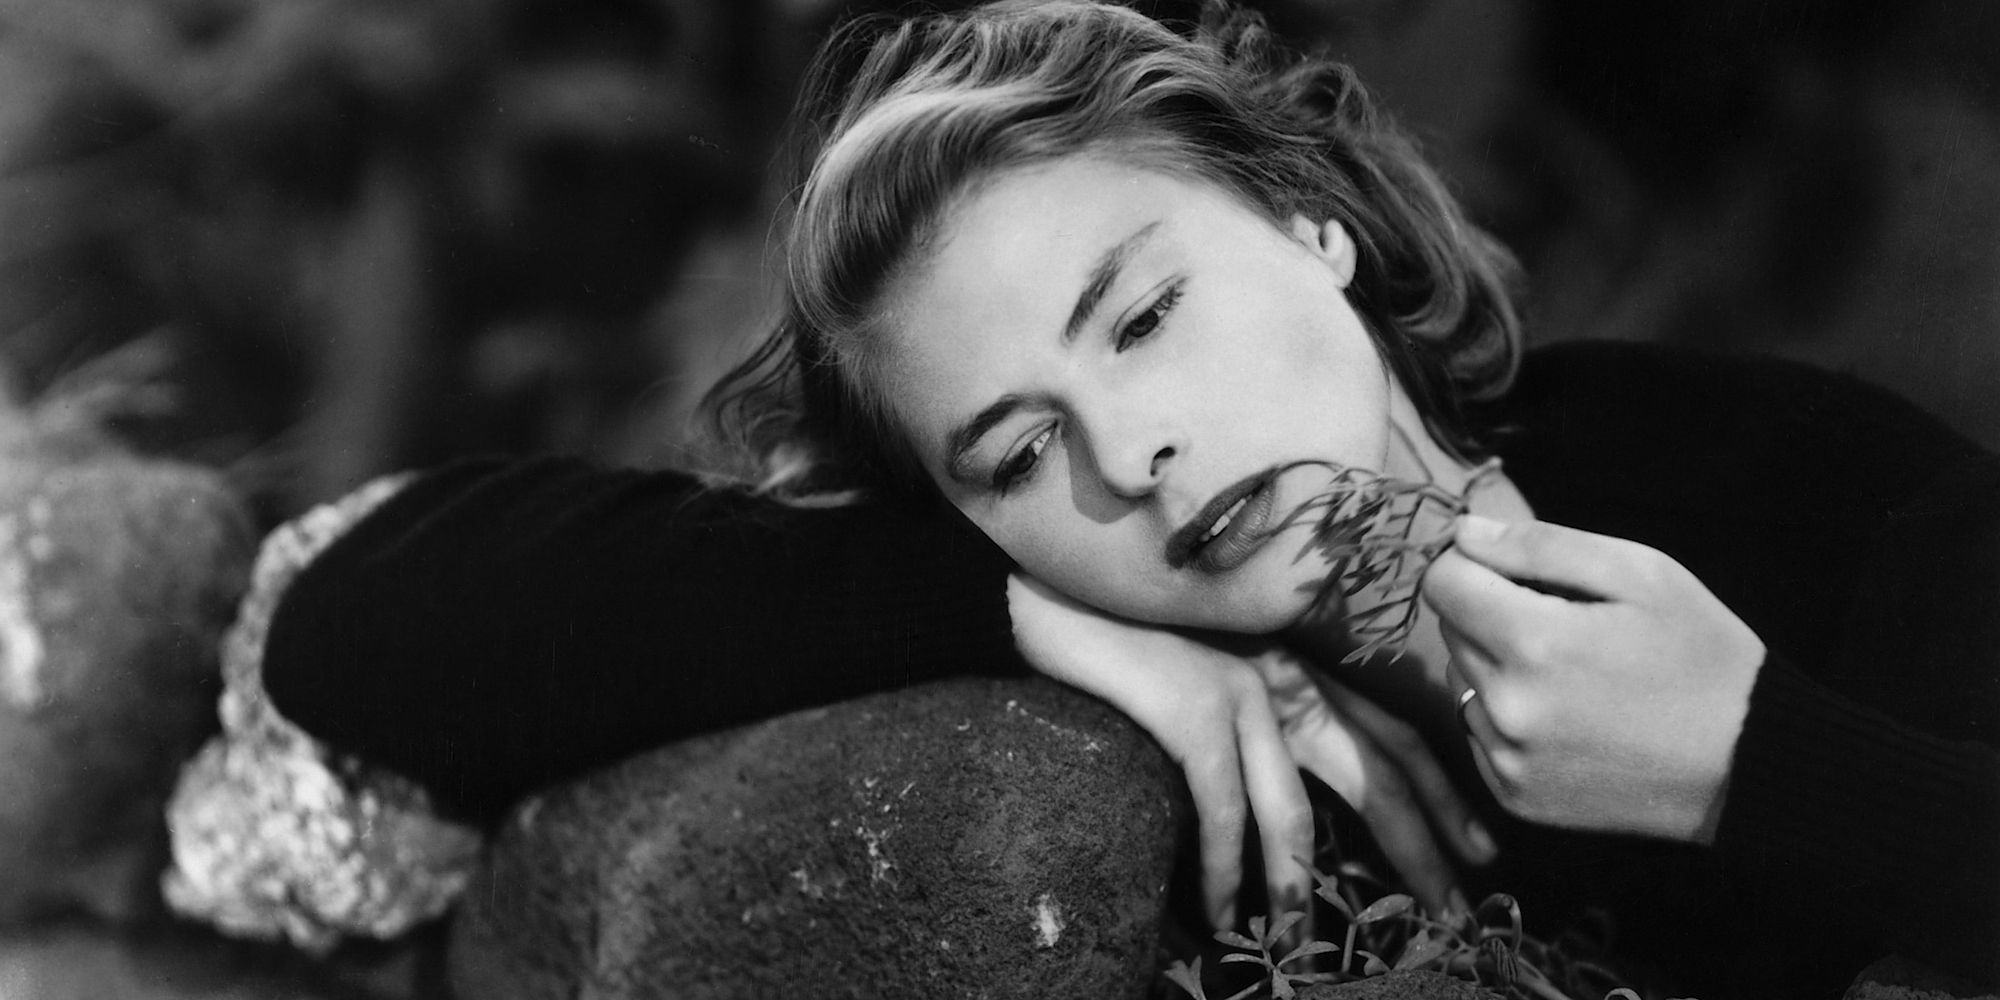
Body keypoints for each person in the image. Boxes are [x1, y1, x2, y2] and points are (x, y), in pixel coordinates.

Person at [238, 1, 1999, 995]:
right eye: (1015, 456)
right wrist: (1004, 605)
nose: (1131, 456)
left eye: (1146, 315)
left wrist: (1758, 765)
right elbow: (357, 623)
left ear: (1312, 220)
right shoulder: (1096, 713)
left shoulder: (1804, 486)